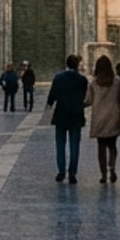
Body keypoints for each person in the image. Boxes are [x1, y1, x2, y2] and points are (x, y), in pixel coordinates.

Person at [44, 54, 89, 184]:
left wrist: (50, 104)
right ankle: (72, 172)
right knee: (75, 144)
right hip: (76, 115)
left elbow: (53, 95)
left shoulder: (59, 78)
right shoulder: (82, 80)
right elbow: (84, 97)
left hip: (61, 114)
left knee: (60, 143)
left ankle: (61, 171)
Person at [86, 55, 120, 183]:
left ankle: (103, 174)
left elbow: (88, 100)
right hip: (113, 117)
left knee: (101, 147)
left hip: (99, 118)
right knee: (112, 145)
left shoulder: (94, 83)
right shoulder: (116, 82)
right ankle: (112, 168)